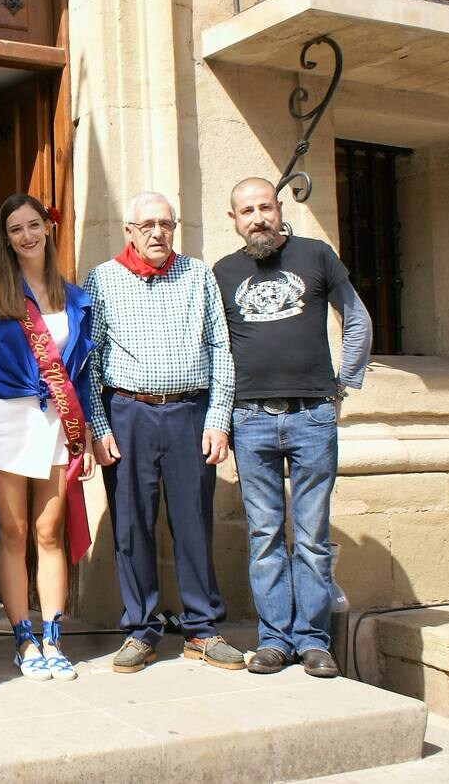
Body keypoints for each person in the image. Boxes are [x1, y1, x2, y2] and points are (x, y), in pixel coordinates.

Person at [214, 177, 371, 679]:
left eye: (264, 207)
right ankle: (274, 641)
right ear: (233, 220)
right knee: (263, 534)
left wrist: (343, 384)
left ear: (279, 209)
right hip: (251, 419)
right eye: (246, 211)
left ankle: (313, 641)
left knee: (311, 536)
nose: (256, 217)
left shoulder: (316, 255)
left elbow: (357, 318)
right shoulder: (223, 271)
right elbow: (214, 347)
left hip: (311, 416)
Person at [83, 191, 240, 674]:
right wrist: (100, 425)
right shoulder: (102, 279)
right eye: (147, 224)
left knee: (193, 520)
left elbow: (220, 347)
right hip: (128, 412)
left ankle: (201, 628)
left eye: (166, 224)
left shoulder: (197, 275)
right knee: (131, 524)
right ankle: (141, 629)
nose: (157, 233)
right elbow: (90, 360)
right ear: (129, 230)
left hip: (189, 414)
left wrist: (218, 419)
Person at [0, 194, 94, 682]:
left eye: (33, 225)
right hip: (6, 416)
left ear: (48, 228)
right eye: (16, 229)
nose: (26, 235)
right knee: (15, 531)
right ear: (6, 239)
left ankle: (53, 635)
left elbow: (83, 371)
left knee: (50, 532)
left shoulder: (76, 297)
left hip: (56, 421)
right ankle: (22, 636)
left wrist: (84, 432)